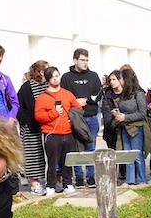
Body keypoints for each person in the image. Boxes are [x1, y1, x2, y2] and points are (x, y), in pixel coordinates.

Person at [35, 66, 81, 194]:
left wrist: (72, 119)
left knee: (67, 161)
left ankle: (68, 183)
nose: (55, 79)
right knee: (52, 162)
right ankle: (50, 185)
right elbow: (38, 116)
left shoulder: (67, 94)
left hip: (68, 132)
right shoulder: (42, 97)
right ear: (47, 80)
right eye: (52, 77)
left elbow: (78, 108)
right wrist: (53, 113)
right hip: (51, 134)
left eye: (57, 76)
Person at [60, 48, 101, 187]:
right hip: (75, 118)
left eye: (87, 60)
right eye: (82, 60)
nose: (85, 63)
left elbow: (98, 94)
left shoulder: (93, 76)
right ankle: (78, 177)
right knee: (76, 149)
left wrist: (86, 100)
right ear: (75, 60)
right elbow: (63, 96)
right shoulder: (66, 77)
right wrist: (75, 102)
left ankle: (91, 177)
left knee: (91, 148)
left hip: (91, 116)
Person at [16, 60, 50, 195]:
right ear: (40, 72)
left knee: (46, 155)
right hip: (31, 128)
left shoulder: (48, 85)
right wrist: (26, 121)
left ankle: (48, 180)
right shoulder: (26, 88)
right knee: (33, 155)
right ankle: (34, 183)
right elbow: (18, 106)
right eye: (47, 70)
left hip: (47, 126)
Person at [111, 68, 149, 185]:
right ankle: (129, 180)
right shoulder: (124, 94)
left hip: (136, 128)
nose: (119, 81)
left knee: (137, 154)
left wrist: (125, 117)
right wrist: (117, 113)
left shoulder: (139, 94)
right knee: (127, 154)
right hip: (125, 128)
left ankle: (141, 180)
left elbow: (142, 113)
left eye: (121, 78)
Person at [101, 70, 123, 151]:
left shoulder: (126, 93)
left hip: (125, 128)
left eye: (114, 79)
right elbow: (106, 114)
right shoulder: (107, 95)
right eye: (110, 80)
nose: (112, 82)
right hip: (111, 130)